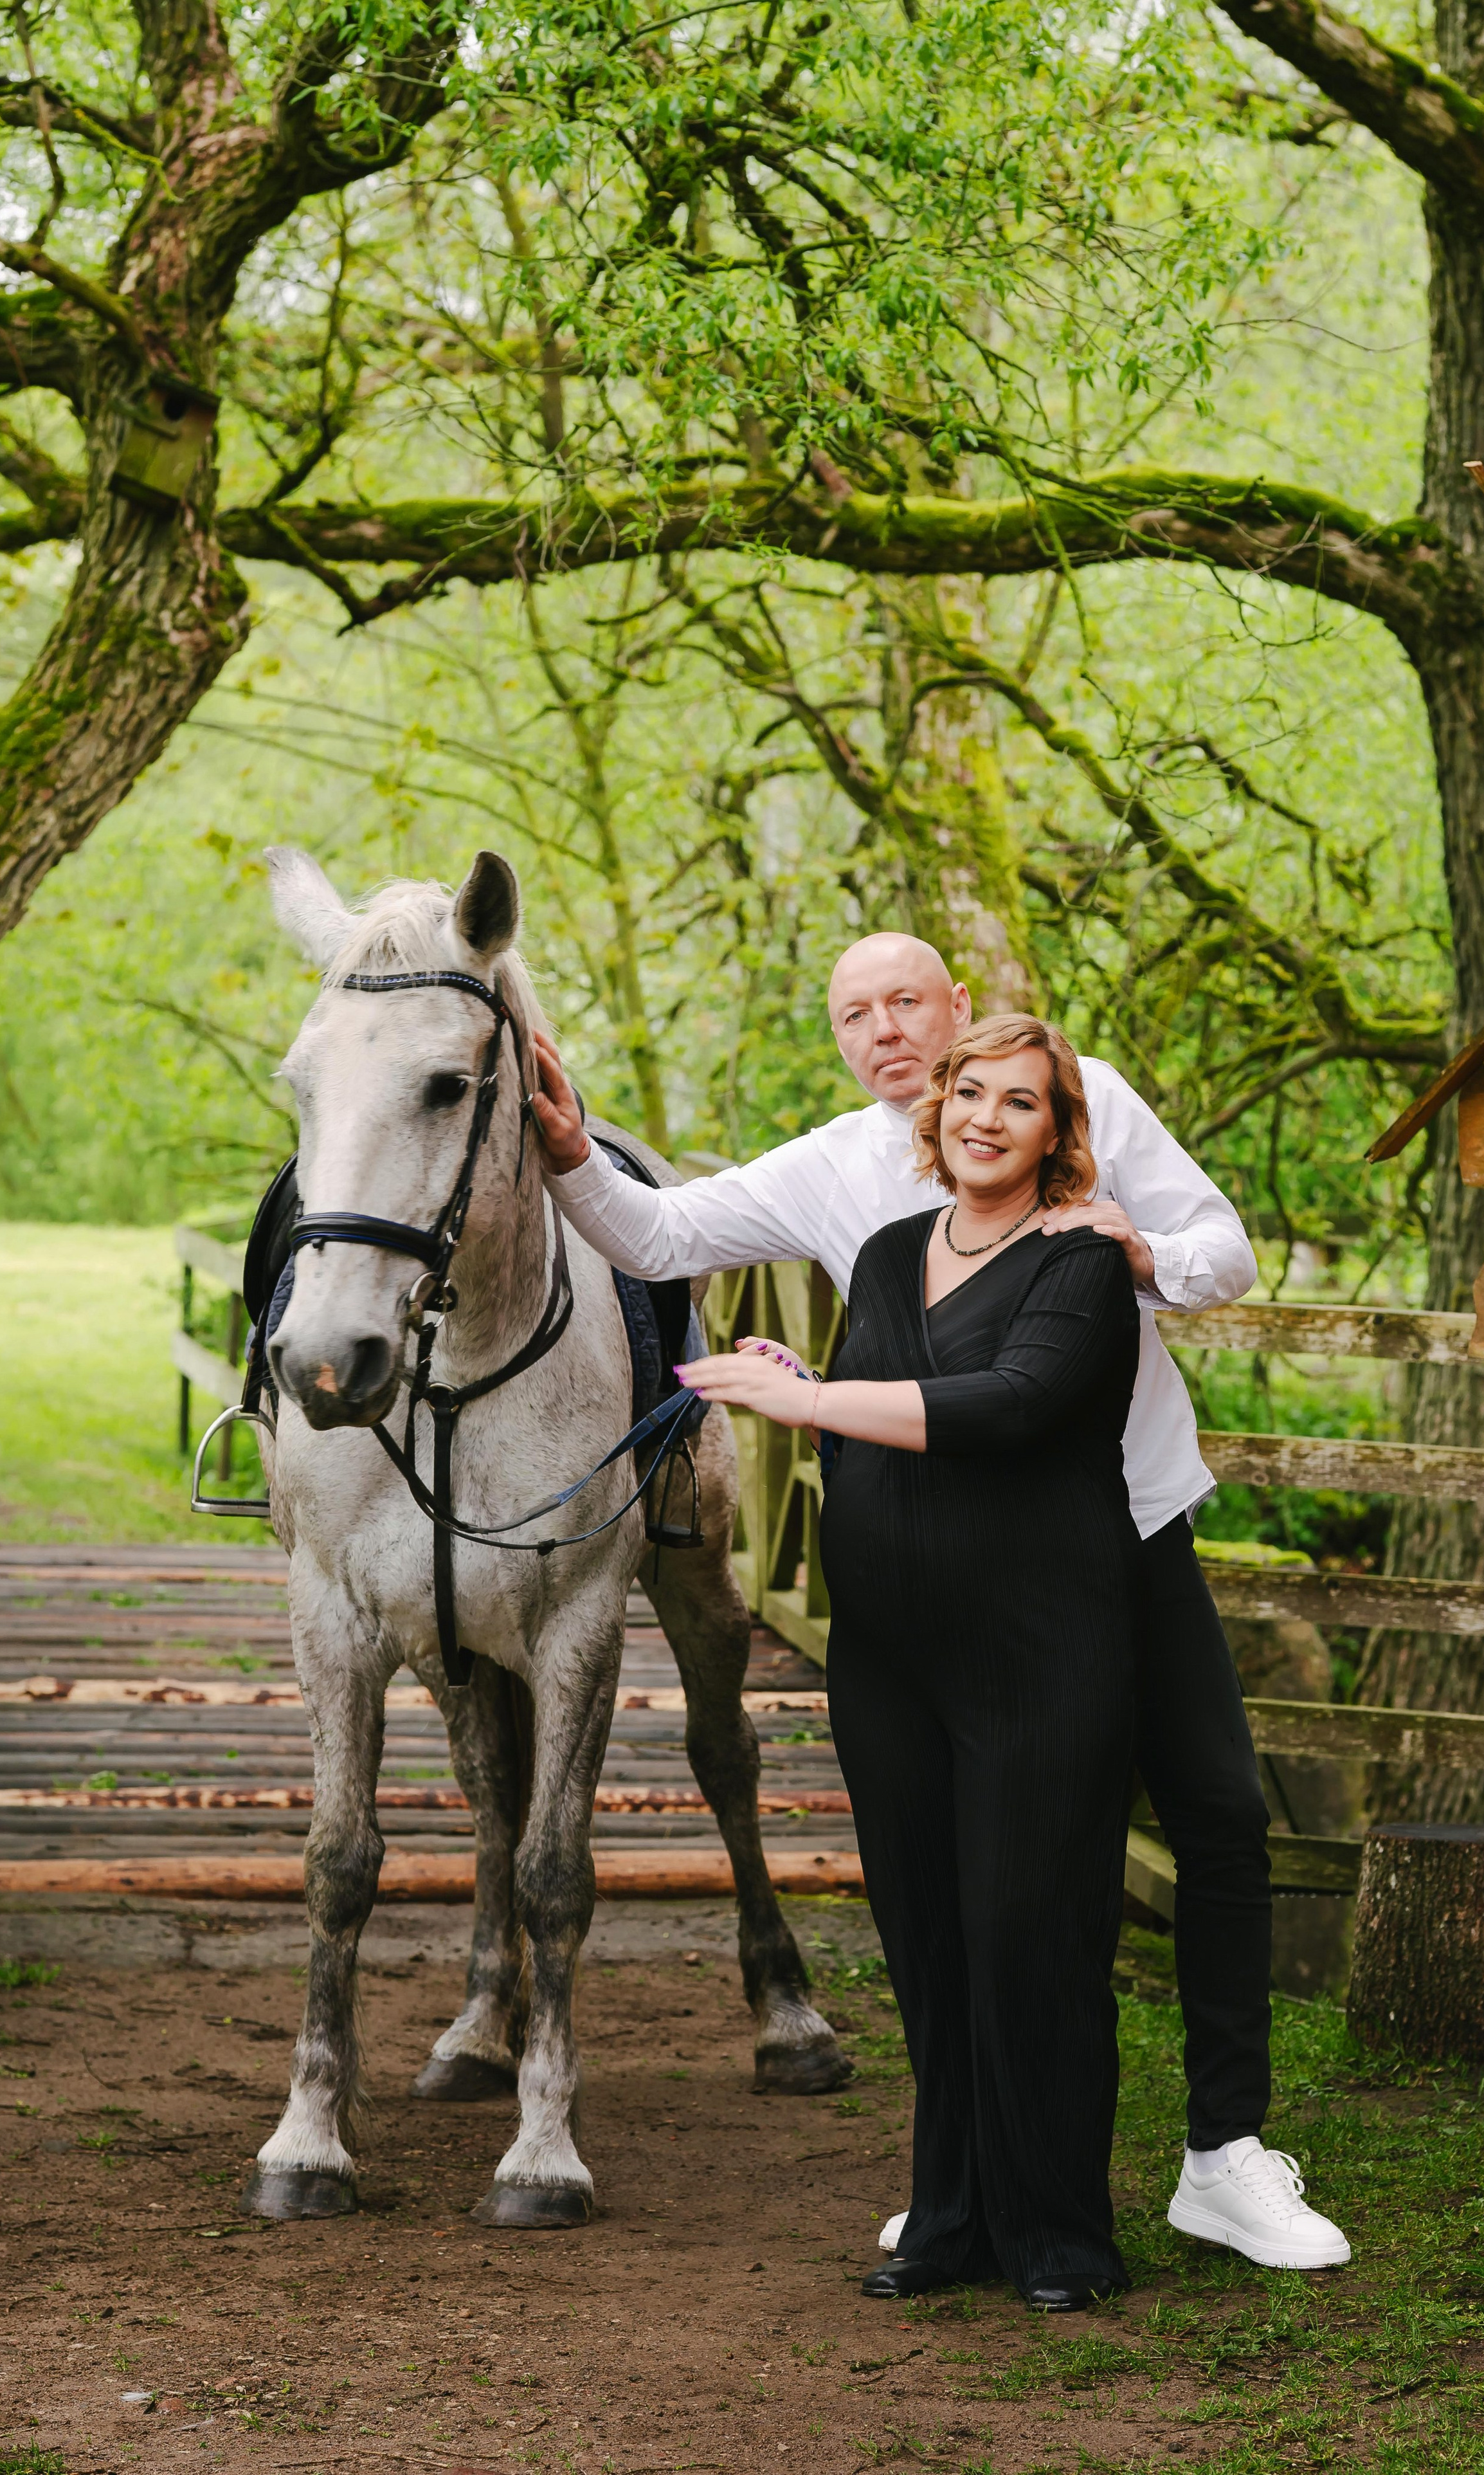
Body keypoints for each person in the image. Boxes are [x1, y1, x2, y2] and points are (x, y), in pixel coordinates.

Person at [527, 933, 1352, 2273]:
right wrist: (570, 1153)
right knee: (953, 1880)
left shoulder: (1076, 1107)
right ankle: (969, 2172)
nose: (883, 1028)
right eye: (854, 1011)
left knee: (1210, 1814)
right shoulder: (845, 1172)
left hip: (1119, 1522)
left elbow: (1224, 1254)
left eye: (905, 999)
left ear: (960, 1011)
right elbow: (662, 1232)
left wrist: (1128, 1251)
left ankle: (1222, 2151)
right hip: (933, 1565)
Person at [679, 1015, 1139, 2306]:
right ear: (933, 1112)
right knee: (927, 1941)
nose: (984, 1118)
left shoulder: (1079, 1260)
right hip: (887, 1656)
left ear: (1057, 1134)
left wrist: (814, 1404)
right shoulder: (884, 1254)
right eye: (966, 1093)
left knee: (1030, 1936)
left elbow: (1010, 1406)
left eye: (1019, 1102)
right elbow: (873, 1417)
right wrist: (796, 1378)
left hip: (1041, 1647)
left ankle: (1056, 2233)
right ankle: (946, 2220)